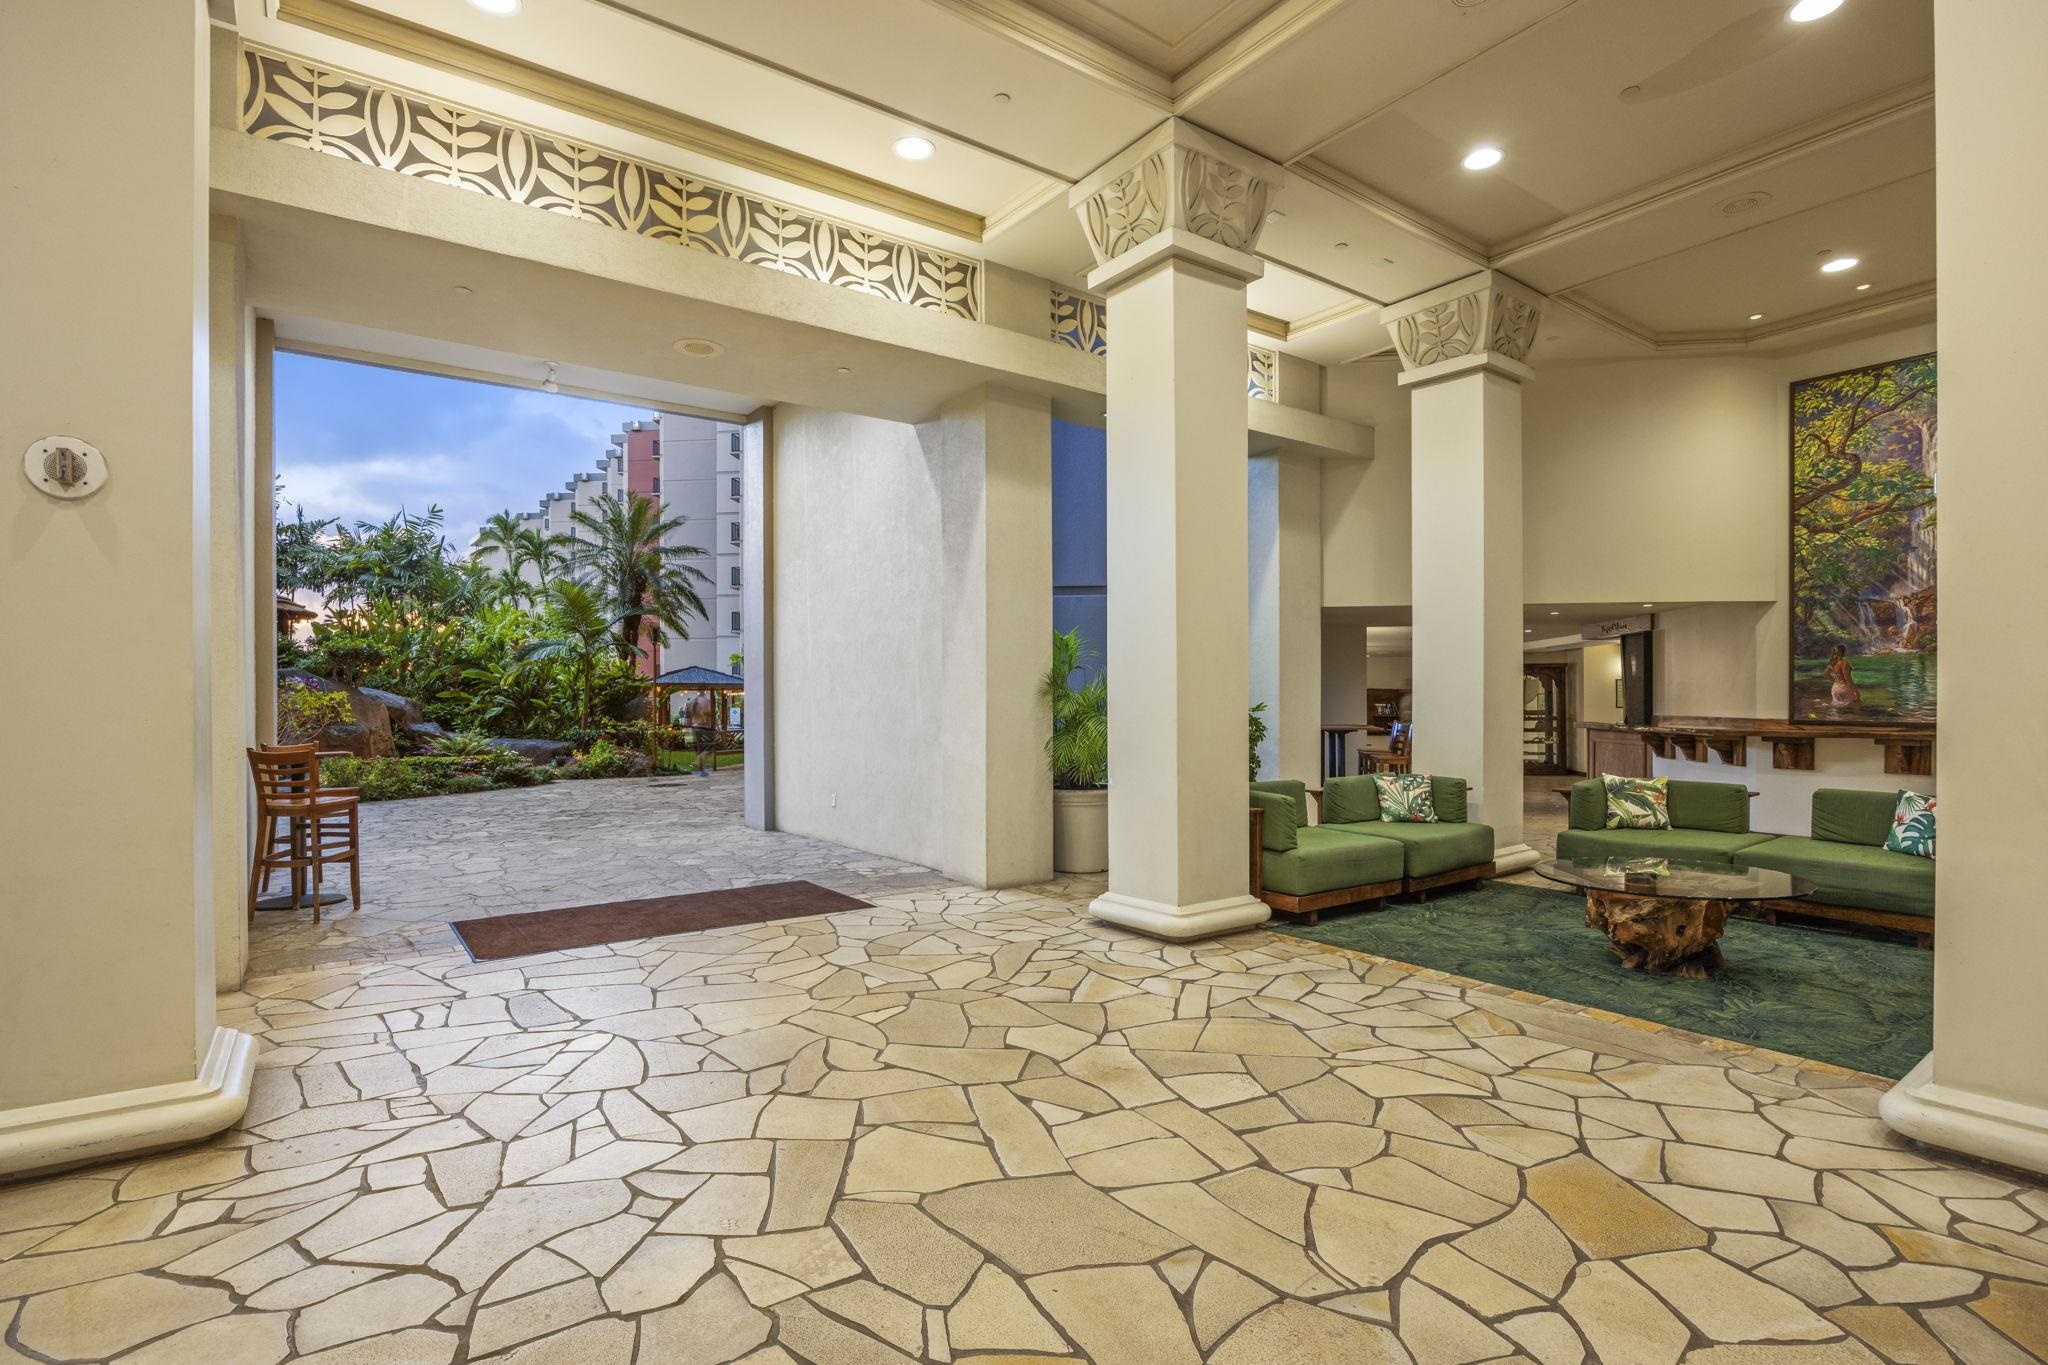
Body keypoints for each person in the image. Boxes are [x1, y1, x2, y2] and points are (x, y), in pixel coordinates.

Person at [1826, 644, 1862, 709]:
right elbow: (1848, 679)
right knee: (1856, 703)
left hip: (1835, 688)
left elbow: (1826, 674)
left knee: (1837, 707)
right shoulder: (1844, 663)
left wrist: (1834, 681)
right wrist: (1856, 692)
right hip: (1844, 688)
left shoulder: (1832, 663)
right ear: (1844, 652)